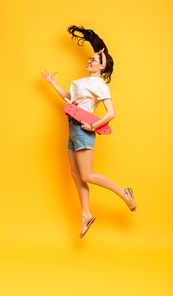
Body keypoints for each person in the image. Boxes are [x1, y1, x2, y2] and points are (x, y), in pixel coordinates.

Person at [41, 25, 137, 238]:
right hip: (72, 127)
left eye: (93, 60)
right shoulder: (80, 82)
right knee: (76, 175)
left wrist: (92, 126)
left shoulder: (100, 85)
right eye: (89, 59)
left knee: (87, 174)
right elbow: (70, 99)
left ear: (102, 65)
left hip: (84, 129)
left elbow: (111, 113)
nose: (89, 61)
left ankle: (124, 193)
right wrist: (53, 83)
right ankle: (85, 214)